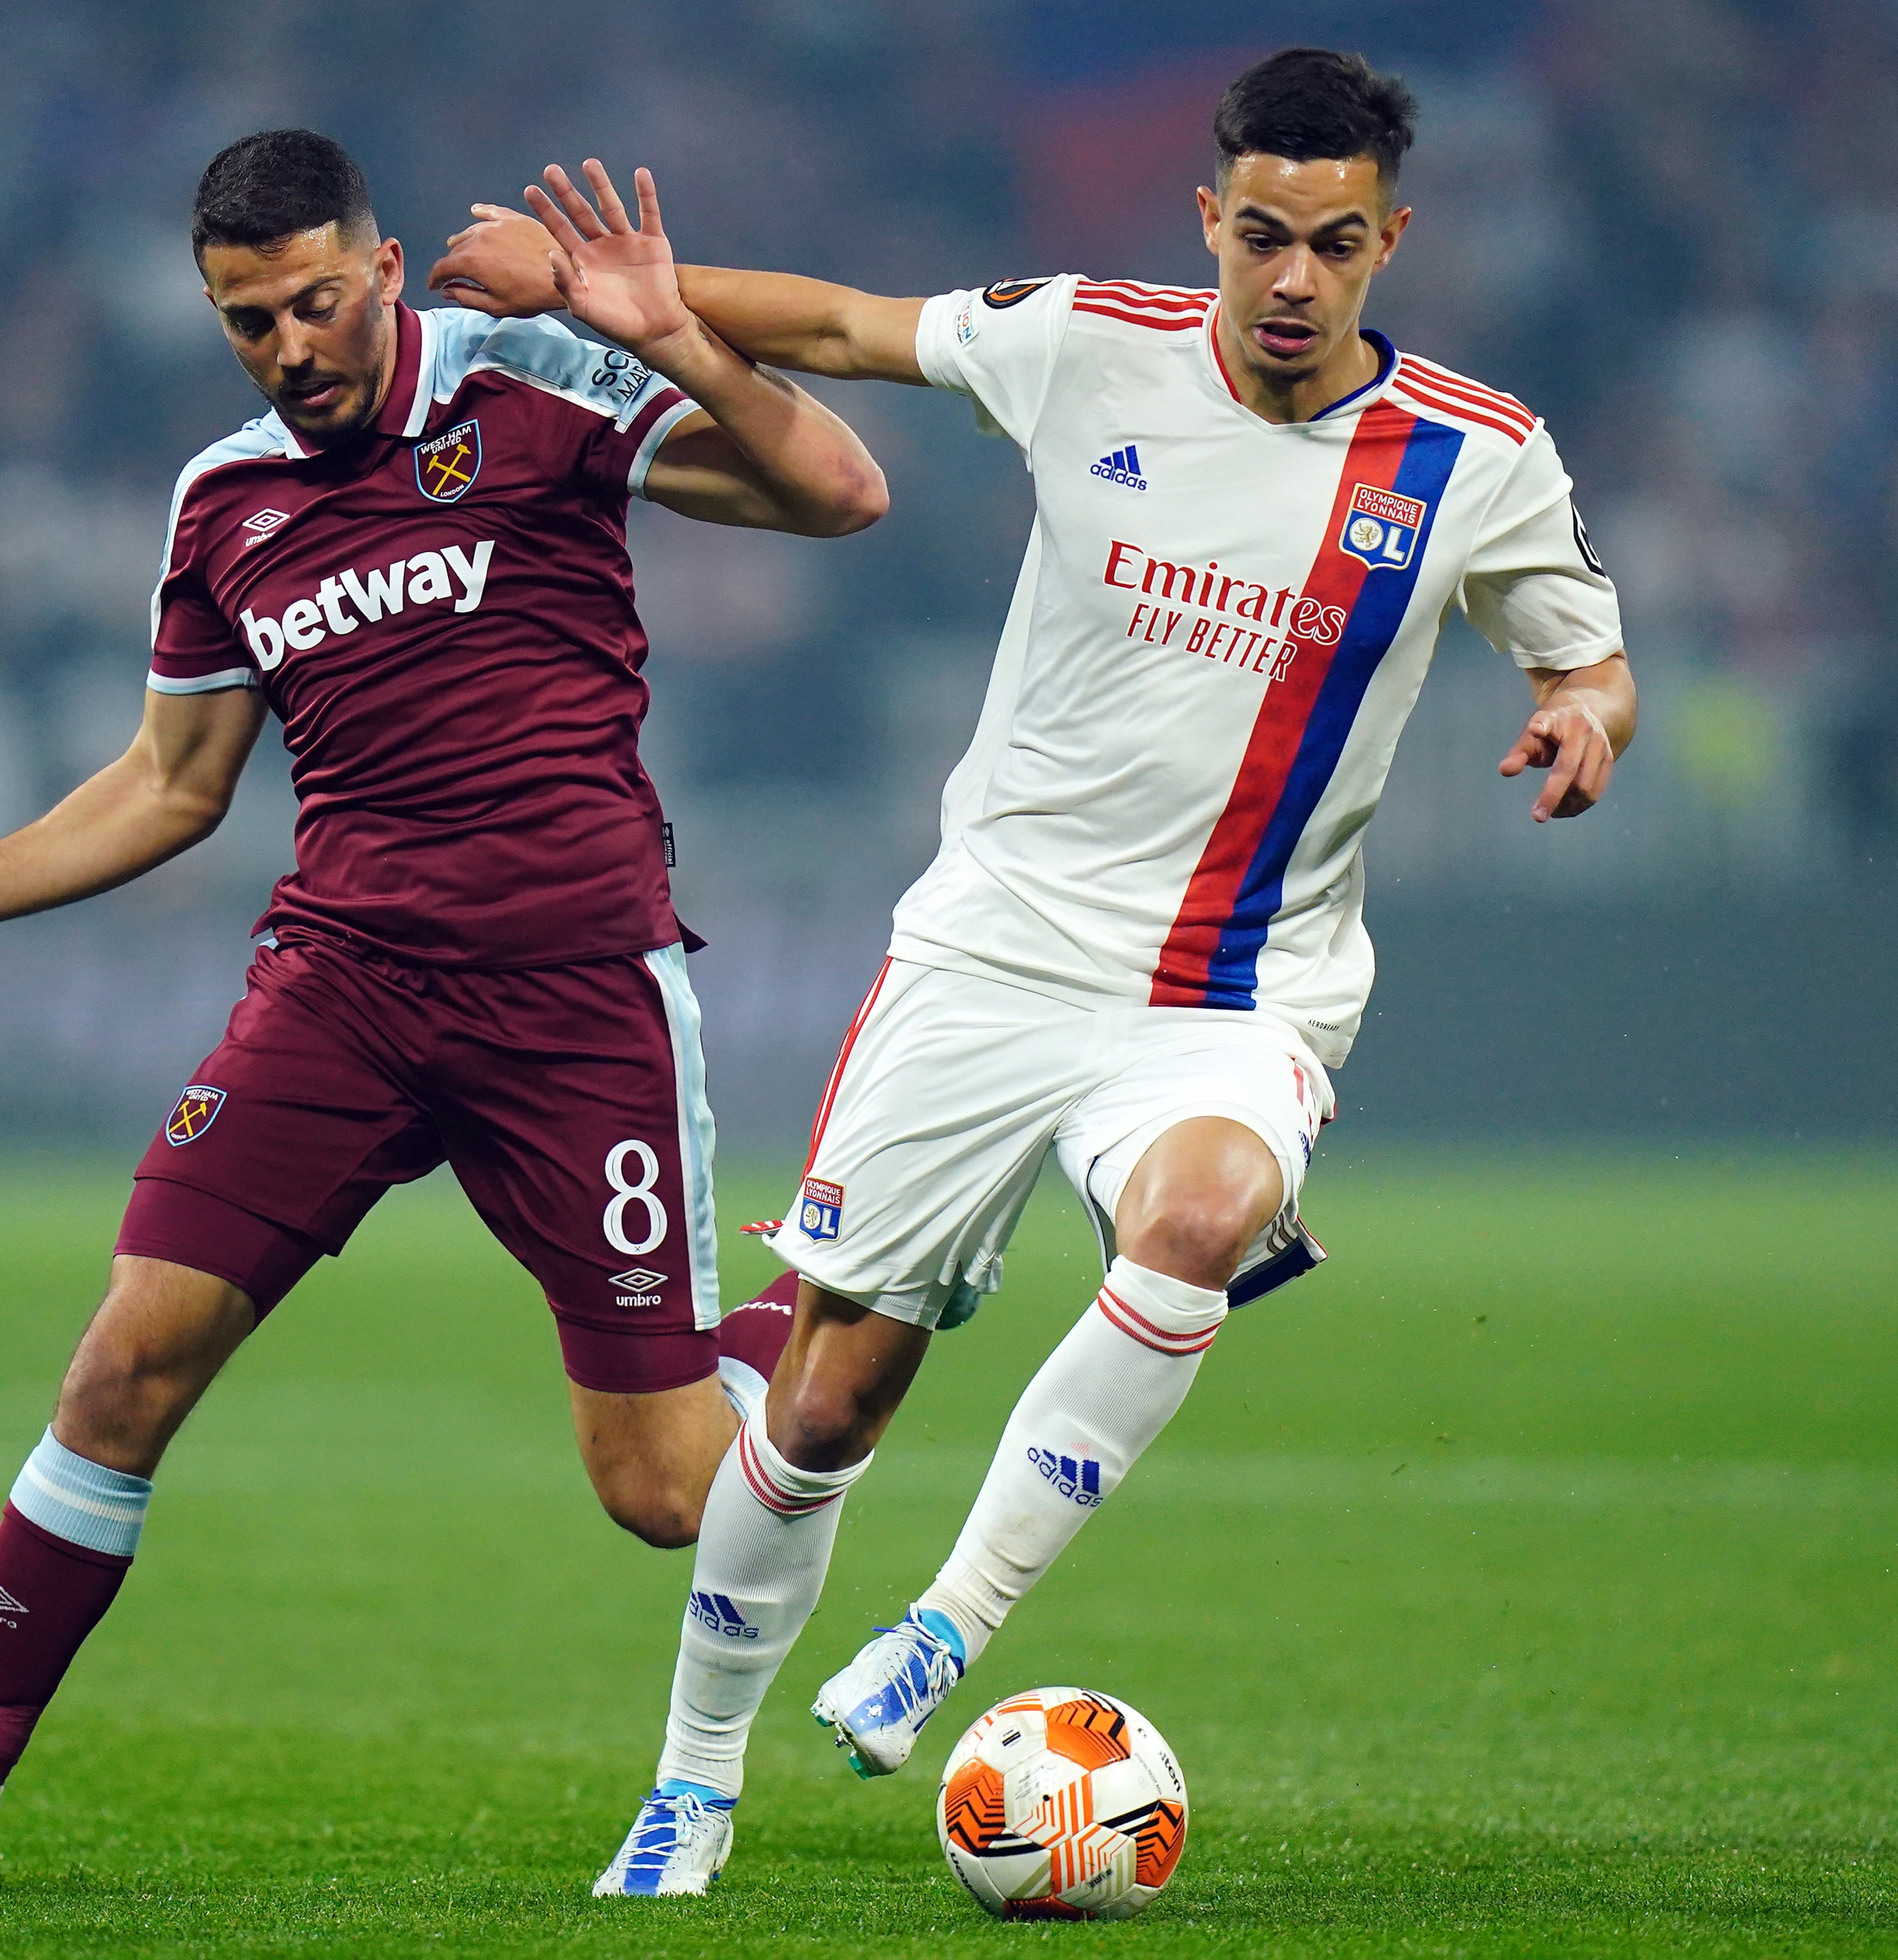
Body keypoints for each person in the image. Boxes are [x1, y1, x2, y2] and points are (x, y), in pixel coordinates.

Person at [432, 47, 1637, 1896]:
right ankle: (691, 1782)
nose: (1291, 278)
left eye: (1331, 243)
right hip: (990, 957)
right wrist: (655, 309)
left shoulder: (1479, 457)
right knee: (826, 1405)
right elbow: (845, 325)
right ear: (1206, 223)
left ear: (1390, 239)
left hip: (1235, 989)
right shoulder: (1086, 339)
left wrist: (1580, 709)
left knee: (1206, 1214)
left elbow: (1585, 654)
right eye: (1258, 236)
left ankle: (943, 1631)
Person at [0, 127, 887, 1896]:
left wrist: (659, 330)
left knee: (666, 1494)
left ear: (381, 267)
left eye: (311, 303)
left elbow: (837, 492)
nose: (289, 347)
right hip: (338, 989)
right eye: (246, 322)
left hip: (574, 998)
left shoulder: (537, 380)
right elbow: (170, 783)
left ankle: (820, 1313)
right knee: (124, 1366)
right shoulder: (223, 503)